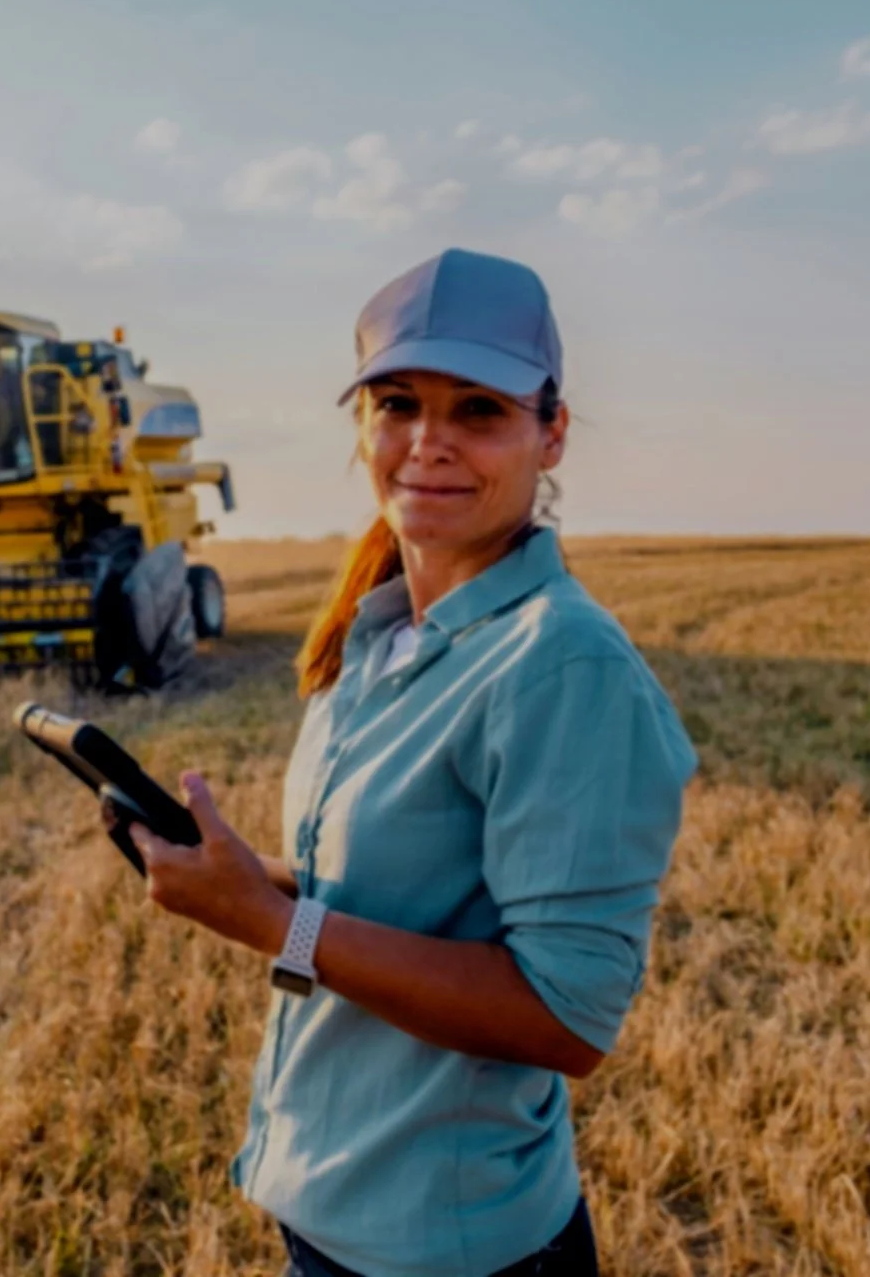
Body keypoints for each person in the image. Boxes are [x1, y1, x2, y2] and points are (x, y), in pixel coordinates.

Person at [110, 248, 699, 1276]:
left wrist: (273, 921)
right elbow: (389, 901)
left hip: (453, 1248)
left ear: (550, 431)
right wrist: (247, 882)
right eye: (397, 404)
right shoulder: (379, 636)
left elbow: (566, 1014)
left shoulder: (565, 664)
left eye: (478, 409)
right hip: (335, 1213)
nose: (428, 442)